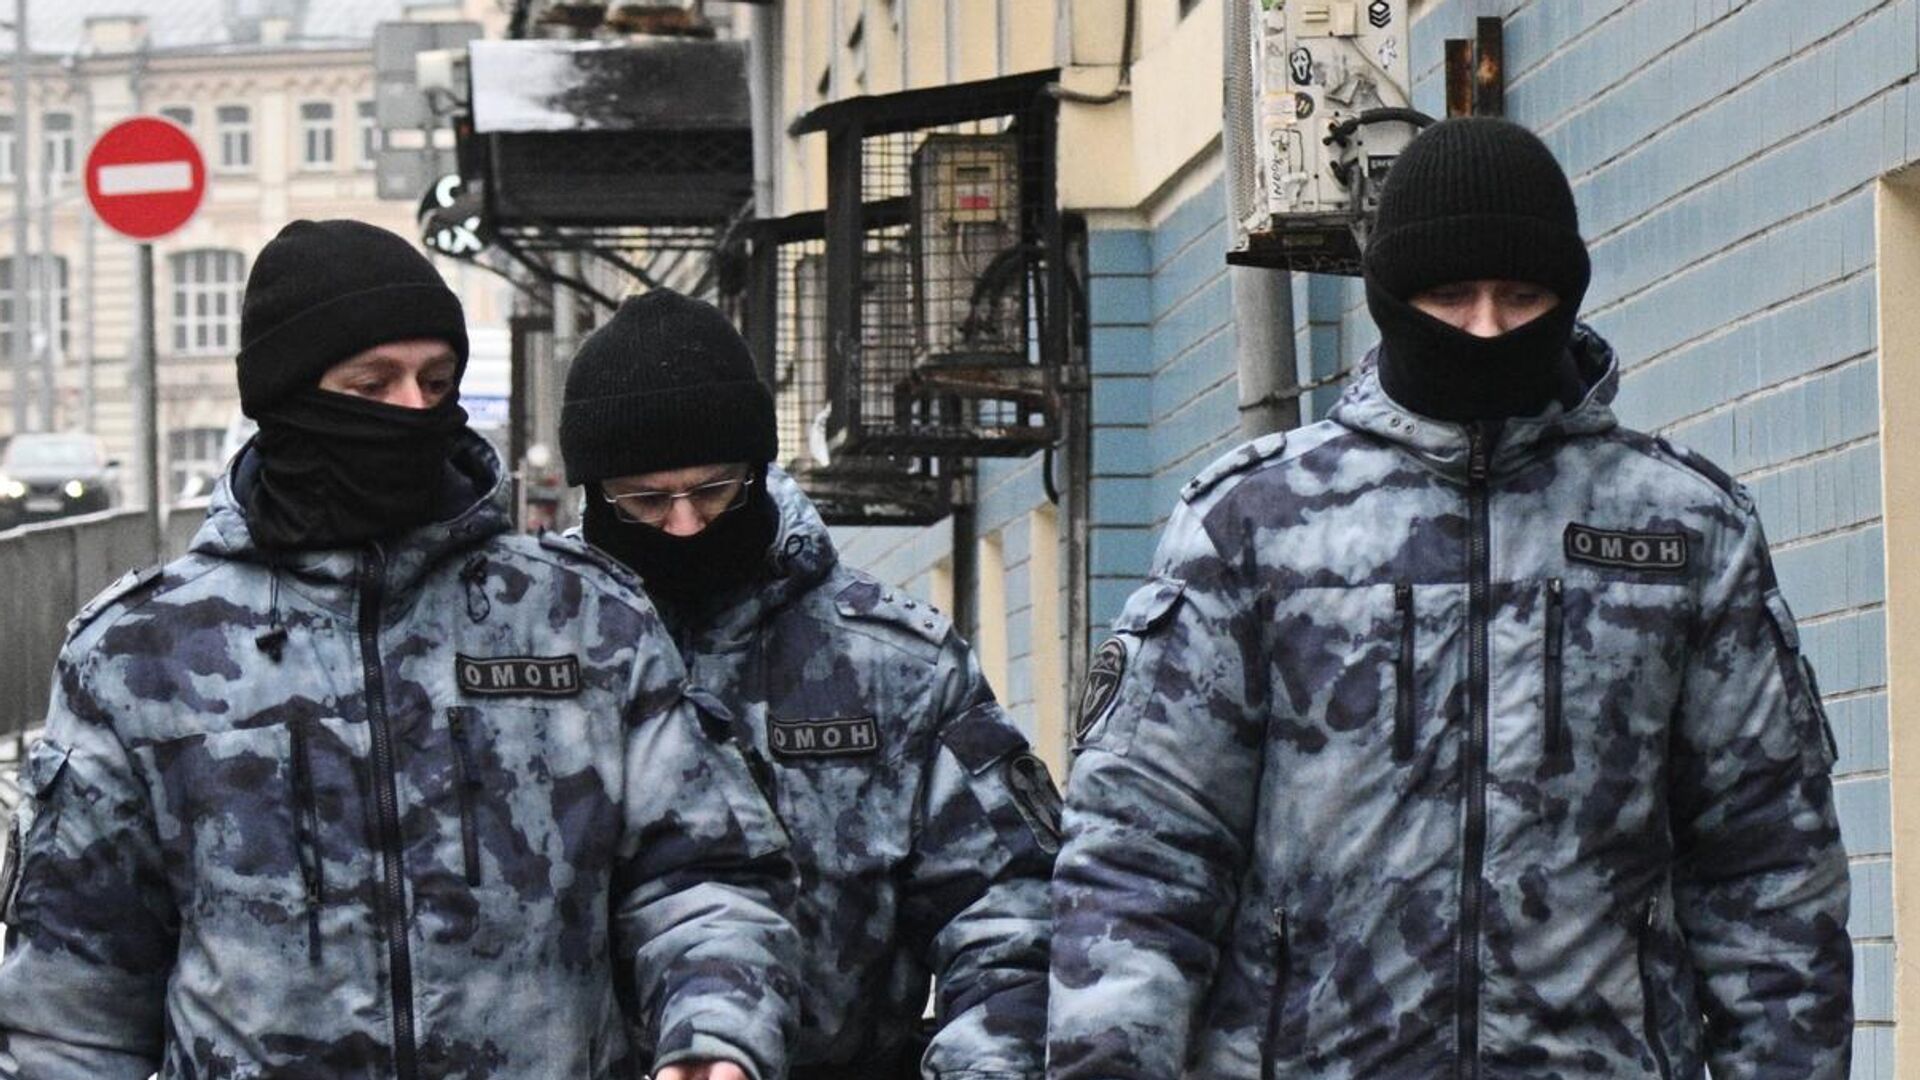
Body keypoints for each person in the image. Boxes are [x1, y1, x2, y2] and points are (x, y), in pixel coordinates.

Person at [1049, 118, 1852, 1078]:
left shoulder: (1684, 529)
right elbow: (1143, 852)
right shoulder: (1252, 524)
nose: (1485, 328)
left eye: (1522, 296)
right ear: (1392, 297)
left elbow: (1769, 864)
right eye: (1449, 296)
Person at [0, 220, 798, 1080]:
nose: (416, 411)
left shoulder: (579, 617)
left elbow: (703, 877)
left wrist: (714, 1035)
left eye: (436, 381)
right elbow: (72, 1003)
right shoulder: (143, 655)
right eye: (373, 384)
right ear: (286, 397)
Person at [558, 289, 1056, 1079]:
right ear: (596, 495)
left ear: (757, 472)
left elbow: (1011, 914)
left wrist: (985, 1065)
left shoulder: (892, 664)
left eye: (713, 490)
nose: (685, 525)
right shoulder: (539, 660)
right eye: (647, 501)